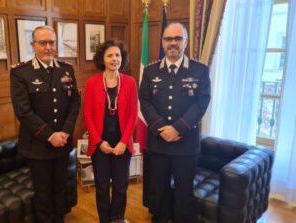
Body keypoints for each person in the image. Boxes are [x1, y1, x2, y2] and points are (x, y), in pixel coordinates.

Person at [139, 23, 211, 223]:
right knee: (159, 190)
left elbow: (201, 102)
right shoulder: (151, 71)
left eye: (177, 39)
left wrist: (178, 129)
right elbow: (144, 101)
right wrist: (161, 129)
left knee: (184, 192)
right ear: (162, 42)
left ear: (185, 42)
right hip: (159, 143)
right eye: (168, 39)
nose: (173, 43)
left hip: (185, 144)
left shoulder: (200, 70)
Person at [10, 25, 80, 223]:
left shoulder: (66, 69)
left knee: (60, 188)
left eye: (52, 42)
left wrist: (65, 132)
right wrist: (50, 135)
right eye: (43, 43)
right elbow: (23, 112)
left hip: (63, 143)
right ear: (33, 45)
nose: (48, 47)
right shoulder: (20, 73)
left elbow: (75, 102)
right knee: (43, 193)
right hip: (38, 145)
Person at [83, 39, 138, 223]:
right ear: (102, 59)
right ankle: (104, 220)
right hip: (100, 144)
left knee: (121, 186)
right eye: (110, 55)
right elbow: (88, 115)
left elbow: (132, 114)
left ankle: (117, 219)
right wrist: (98, 142)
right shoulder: (92, 83)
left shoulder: (130, 82)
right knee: (102, 186)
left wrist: (123, 142)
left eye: (118, 55)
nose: (114, 59)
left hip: (122, 144)